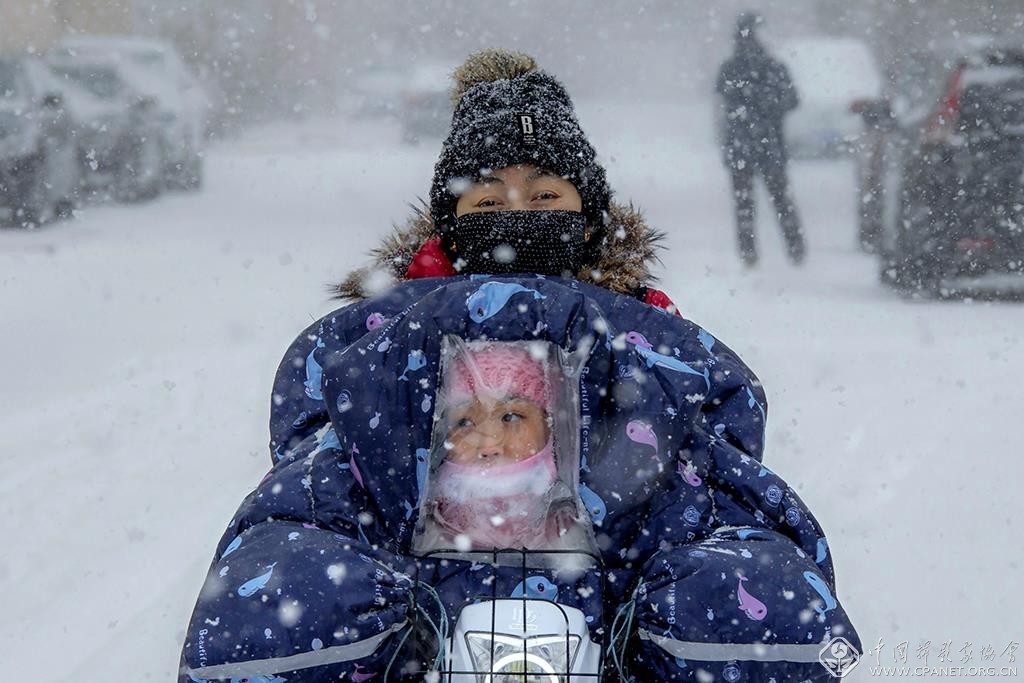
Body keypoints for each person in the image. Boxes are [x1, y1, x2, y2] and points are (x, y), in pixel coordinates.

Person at [178, 49, 859, 682]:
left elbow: (708, 476)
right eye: (488, 200)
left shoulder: (641, 335)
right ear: (452, 217)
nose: (517, 215)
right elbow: (322, 486)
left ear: (585, 213)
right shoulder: (384, 347)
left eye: (544, 196)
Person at [716, 11, 806, 266]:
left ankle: (751, 253)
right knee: (778, 200)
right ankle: (793, 250)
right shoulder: (771, 66)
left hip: (746, 145)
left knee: (748, 204)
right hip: (767, 144)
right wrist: (769, 104)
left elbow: (722, 106)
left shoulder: (732, 68)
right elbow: (792, 100)